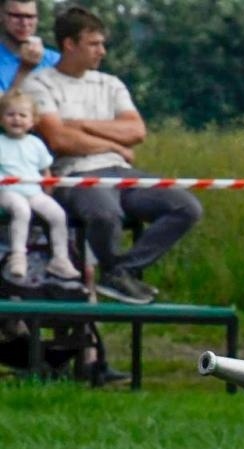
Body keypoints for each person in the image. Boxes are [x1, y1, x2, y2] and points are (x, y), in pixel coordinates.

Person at [22, 6, 200, 306]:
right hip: (74, 174)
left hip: (121, 171)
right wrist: (114, 145)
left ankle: (120, 271)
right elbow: (59, 139)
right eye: (93, 44)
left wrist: (80, 124)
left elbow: (136, 131)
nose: (102, 51)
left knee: (185, 207)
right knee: (105, 214)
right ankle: (115, 275)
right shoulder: (39, 84)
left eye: (102, 44)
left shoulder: (111, 84)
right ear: (69, 44)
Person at [0, 89, 77, 280]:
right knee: (21, 210)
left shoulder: (36, 144)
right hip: (7, 191)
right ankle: (18, 256)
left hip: (33, 191)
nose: (16, 119)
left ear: (32, 121)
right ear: (1, 119)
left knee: (58, 214)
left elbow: (45, 170)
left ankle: (60, 259)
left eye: (22, 115)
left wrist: (47, 193)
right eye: (10, 115)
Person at [0, 0, 53, 92]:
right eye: (16, 16)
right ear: (1, 15)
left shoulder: (57, 61)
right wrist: (24, 70)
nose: (24, 23)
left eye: (30, 16)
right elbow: (5, 102)